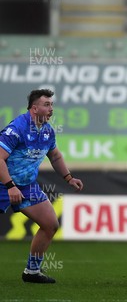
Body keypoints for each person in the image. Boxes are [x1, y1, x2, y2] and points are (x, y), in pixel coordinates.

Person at [0, 89, 84, 284]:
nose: (51, 108)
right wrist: (10, 186)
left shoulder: (47, 130)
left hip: (27, 185)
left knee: (50, 224)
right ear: (34, 108)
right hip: (3, 183)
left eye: (52, 104)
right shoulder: (16, 129)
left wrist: (69, 178)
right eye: (47, 105)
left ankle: (32, 271)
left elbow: (54, 156)